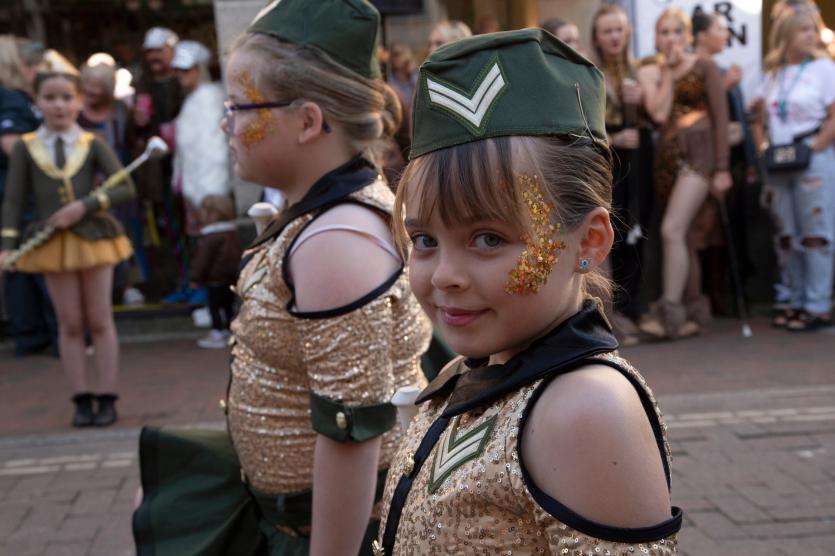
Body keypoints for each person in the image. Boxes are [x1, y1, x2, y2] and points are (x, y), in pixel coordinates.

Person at [132, 1, 433, 554]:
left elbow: (351, 438)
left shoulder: (336, 243)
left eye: (239, 107)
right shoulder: (319, 219)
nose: (226, 123)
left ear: (308, 122)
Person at [373, 28, 682, 555]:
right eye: (424, 239)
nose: (444, 274)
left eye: (488, 238)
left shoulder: (587, 409)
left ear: (590, 241)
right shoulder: (471, 369)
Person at [0, 51, 135, 427]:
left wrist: (85, 206)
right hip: (51, 242)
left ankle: (107, 395)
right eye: (50, 98)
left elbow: (124, 186)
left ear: (78, 102)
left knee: (100, 319)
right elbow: (13, 200)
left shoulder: (92, 143)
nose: (58, 105)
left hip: (93, 237)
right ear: (36, 101)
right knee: (70, 322)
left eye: (66, 97)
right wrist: (6, 246)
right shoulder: (26, 147)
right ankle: (81, 397)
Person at [636, 8, 731, 340]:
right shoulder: (654, 71)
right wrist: (667, 72)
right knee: (685, 237)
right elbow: (659, 115)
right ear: (656, 38)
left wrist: (723, 167)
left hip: (700, 157)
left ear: (689, 36)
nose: (671, 38)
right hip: (666, 161)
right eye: (664, 32)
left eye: (677, 31)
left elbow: (721, 118)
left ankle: (670, 314)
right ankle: (695, 314)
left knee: (671, 230)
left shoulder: (705, 67)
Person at [752, 5, 835, 331]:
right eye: (803, 29)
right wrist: (762, 147)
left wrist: (815, 146)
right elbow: (757, 117)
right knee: (786, 233)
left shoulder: (824, 69)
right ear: (786, 35)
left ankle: (817, 304)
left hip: (812, 155)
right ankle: (794, 299)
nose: (810, 36)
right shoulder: (772, 74)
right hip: (779, 159)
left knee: (815, 232)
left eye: (813, 30)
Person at [590, 4, 654, 345]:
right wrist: (614, 139)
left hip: (640, 160)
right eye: (607, 31)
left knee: (638, 231)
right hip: (608, 162)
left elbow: (658, 116)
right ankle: (616, 313)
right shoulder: (591, 73)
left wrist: (642, 99)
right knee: (612, 233)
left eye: (619, 30)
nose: (614, 36)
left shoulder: (638, 69)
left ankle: (634, 308)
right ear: (597, 38)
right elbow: (586, 126)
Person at [0, 35, 58, 356]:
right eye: (28, 63)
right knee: (34, 259)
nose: (34, 69)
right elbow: (12, 144)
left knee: (20, 263)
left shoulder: (14, 97)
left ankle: (31, 334)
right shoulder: (10, 99)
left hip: (16, 193)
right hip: (22, 196)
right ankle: (48, 332)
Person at [78, 53, 148, 296]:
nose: (90, 90)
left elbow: (133, 141)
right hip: (87, 184)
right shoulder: (76, 112)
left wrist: (141, 124)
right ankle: (100, 288)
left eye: (97, 86)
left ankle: (130, 285)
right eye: (87, 84)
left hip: (120, 180)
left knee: (127, 231)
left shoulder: (121, 109)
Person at [171, 40, 230, 237]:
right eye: (177, 70)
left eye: (186, 69)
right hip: (194, 189)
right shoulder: (192, 99)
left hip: (208, 192)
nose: (180, 75)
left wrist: (209, 195)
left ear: (199, 69)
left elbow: (213, 149)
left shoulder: (209, 98)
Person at [189, 195, 241, 349]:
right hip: (231, 278)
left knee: (214, 307)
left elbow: (203, 259)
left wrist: (195, 277)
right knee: (229, 306)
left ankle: (217, 331)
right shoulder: (231, 233)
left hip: (215, 280)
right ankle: (231, 331)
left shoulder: (210, 237)